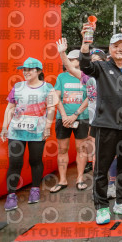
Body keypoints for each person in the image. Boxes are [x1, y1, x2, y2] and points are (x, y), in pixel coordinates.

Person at [80, 30, 122, 225]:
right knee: (102, 168)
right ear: (110, 49)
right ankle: (102, 206)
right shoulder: (101, 67)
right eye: (116, 46)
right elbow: (84, 65)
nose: (120, 50)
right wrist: (85, 43)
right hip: (106, 125)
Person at [0, 58, 57, 211]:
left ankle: (35, 189)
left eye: (30, 70)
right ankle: (11, 195)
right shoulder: (18, 87)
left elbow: (51, 108)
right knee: (15, 162)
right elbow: (10, 108)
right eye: (24, 70)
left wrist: (47, 127)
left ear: (38, 71)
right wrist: (5, 127)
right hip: (16, 131)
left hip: (37, 131)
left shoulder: (48, 88)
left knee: (35, 160)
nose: (26, 72)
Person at [52, 48, 90, 193]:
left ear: (80, 61)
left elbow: (90, 97)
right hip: (63, 119)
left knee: (82, 149)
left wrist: (75, 114)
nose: (70, 61)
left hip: (81, 117)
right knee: (62, 149)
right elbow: (56, 97)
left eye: (73, 59)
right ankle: (62, 180)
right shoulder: (61, 77)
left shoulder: (86, 77)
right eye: (69, 59)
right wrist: (64, 115)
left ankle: (80, 179)